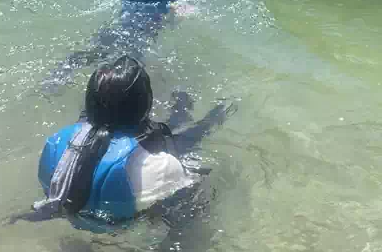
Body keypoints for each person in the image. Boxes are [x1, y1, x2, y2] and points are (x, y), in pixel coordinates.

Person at [17, 56, 233, 232]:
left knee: (170, 132)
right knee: (195, 137)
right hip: (121, 224)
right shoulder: (159, 165)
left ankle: (183, 107)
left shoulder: (56, 142)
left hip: (71, 216)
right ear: (146, 106)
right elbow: (178, 206)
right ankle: (219, 107)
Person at [41, 0, 184, 94]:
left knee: (88, 55)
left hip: (113, 32)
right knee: (130, 75)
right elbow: (174, 22)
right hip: (137, 40)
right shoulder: (171, 5)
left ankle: (54, 80)